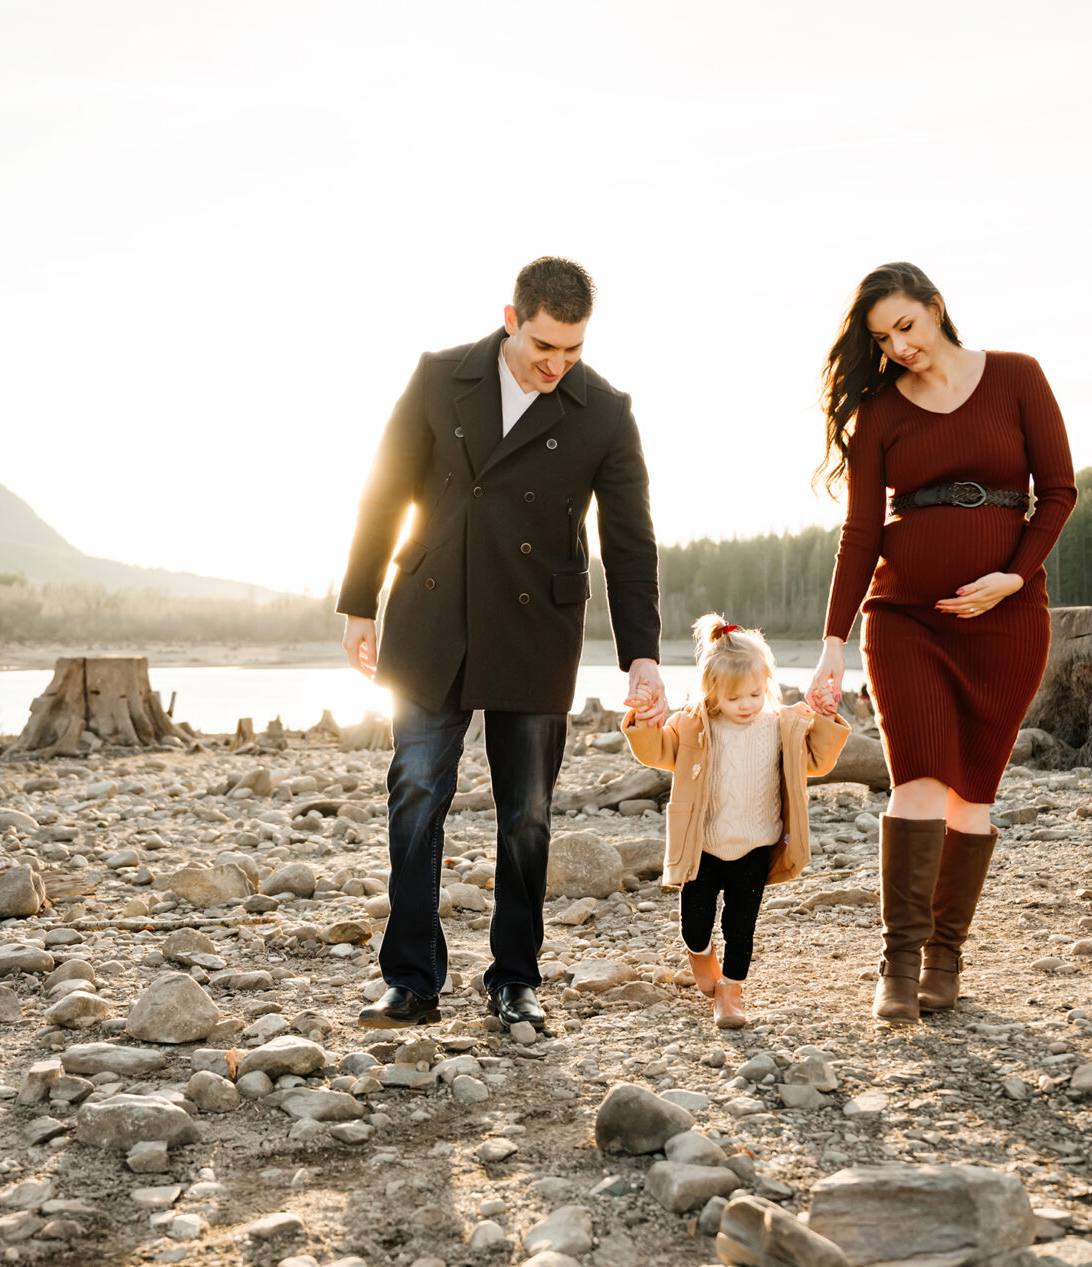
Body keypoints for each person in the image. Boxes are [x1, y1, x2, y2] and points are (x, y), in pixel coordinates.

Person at [337, 257, 667, 1031]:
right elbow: (384, 488)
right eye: (544, 347)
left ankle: (515, 977)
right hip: (431, 609)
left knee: (527, 812)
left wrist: (641, 653)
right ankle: (411, 978)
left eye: (573, 351)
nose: (557, 366)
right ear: (512, 317)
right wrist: (359, 602)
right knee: (417, 788)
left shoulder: (605, 412)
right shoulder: (439, 376)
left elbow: (630, 542)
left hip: (534, 628)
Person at [809, 262, 1078, 1023]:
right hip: (906, 620)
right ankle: (897, 964)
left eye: (906, 326)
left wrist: (1015, 579)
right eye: (882, 338)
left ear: (936, 308)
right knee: (919, 780)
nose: (898, 347)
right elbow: (861, 533)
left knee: (972, 798)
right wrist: (833, 638)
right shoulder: (881, 414)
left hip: (1006, 622)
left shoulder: (1018, 378)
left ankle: (944, 956)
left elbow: (1057, 490)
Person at [622, 616, 849, 1028]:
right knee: (695, 925)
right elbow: (658, 752)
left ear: (767, 684)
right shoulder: (694, 726)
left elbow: (817, 760)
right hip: (704, 846)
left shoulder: (782, 725)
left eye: (755, 693)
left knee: (741, 928)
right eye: (734, 698)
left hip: (756, 845)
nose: (746, 704)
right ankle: (701, 953)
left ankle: (731, 994)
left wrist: (828, 718)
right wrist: (643, 721)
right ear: (711, 693)